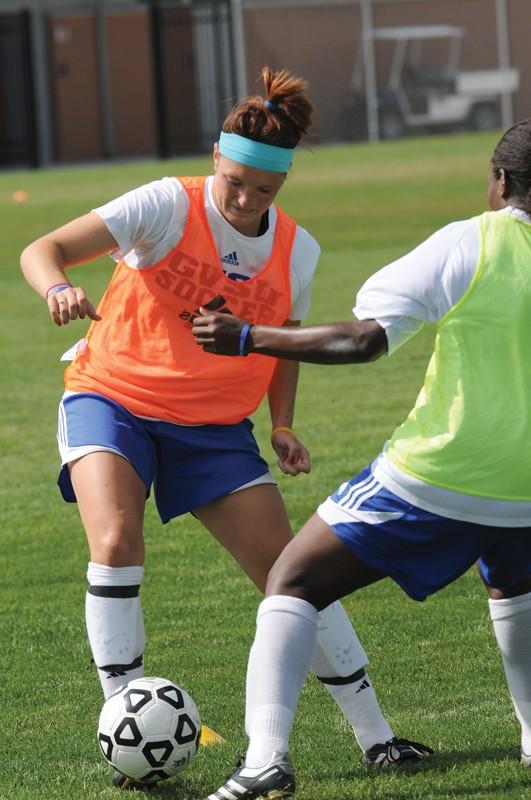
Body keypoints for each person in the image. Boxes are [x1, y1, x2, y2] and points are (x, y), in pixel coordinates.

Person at [20, 68, 430, 790]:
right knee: (115, 540)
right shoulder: (163, 205)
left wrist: (282, 423)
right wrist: (58, 287)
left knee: (290, 574)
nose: (244, 199)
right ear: (217, 158)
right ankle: (124, 719)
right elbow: (41, 249)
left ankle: (377, 736)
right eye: (235, 181)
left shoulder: (296, 251)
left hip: (212, 427)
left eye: (262, 190)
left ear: (282, 185)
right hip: (111, 397)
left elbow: (283, 342)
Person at [193, 118, 531, 800]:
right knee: (515, 584)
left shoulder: (475, 239)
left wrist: (248, 337)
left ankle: (264, 762)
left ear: (498, 183)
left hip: (440, 475)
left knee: (291, 580)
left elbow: (363, 340)